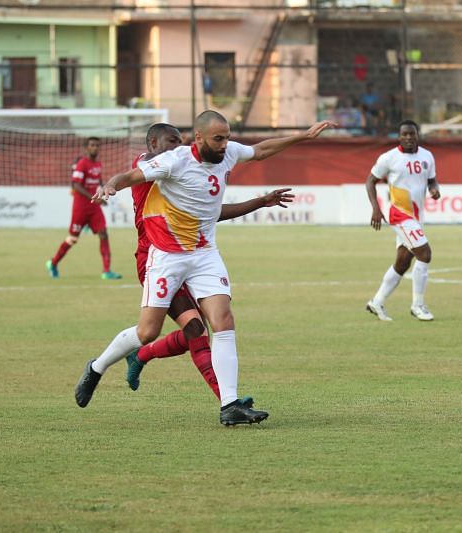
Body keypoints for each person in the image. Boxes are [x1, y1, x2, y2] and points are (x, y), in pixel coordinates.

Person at [74, 111, 336, 426]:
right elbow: (130, 176)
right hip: (166, 256)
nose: (226, 145)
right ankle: (97, 367)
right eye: (218, 138)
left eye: (227, 137)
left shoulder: (228, 153)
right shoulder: (173, 162)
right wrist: (110, 186)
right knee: (148, 331)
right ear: (199, 138)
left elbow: (261, 150)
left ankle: (229, 405)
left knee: (222, 320)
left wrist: (304, 136)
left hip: (204, 253)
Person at [125, 123, 292, 409]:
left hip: (192, 253)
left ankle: (225, 399)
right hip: (158, 256)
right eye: (170, 141)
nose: (176, 147)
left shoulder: (183, 166)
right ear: (152, 143)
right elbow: (134, 173)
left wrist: (259, 200)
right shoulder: (151, 165)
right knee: (193, 329)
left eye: (180, 141)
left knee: (205, 326)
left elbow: (211, 212)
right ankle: (226, 400)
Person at [365, 120, 440, 322]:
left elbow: (431, 179)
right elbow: (370, 181)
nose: (408, 137)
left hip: (417, 216)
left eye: (411, 134)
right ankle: (418, 305)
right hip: (400, 215)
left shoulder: (427, 156)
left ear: (417, 135)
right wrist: (376, 208)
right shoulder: (389, 158)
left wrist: (434, 188)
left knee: (403, 262)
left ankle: (377, 302)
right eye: (404, 134)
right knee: (425, 254)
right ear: (399, 136)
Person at [46, 137, 122, 280]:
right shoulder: (82, 164)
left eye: (97, 145)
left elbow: (98, 181)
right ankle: (53, 262)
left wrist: (102, 194)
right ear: (86, 148)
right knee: (72, 239)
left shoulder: (98, 164)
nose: (95, 148)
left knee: (104, 234)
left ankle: (106, 271)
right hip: (80, 207)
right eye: (92, 145)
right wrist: (93, 197)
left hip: (94, 207)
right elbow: (76, 185)